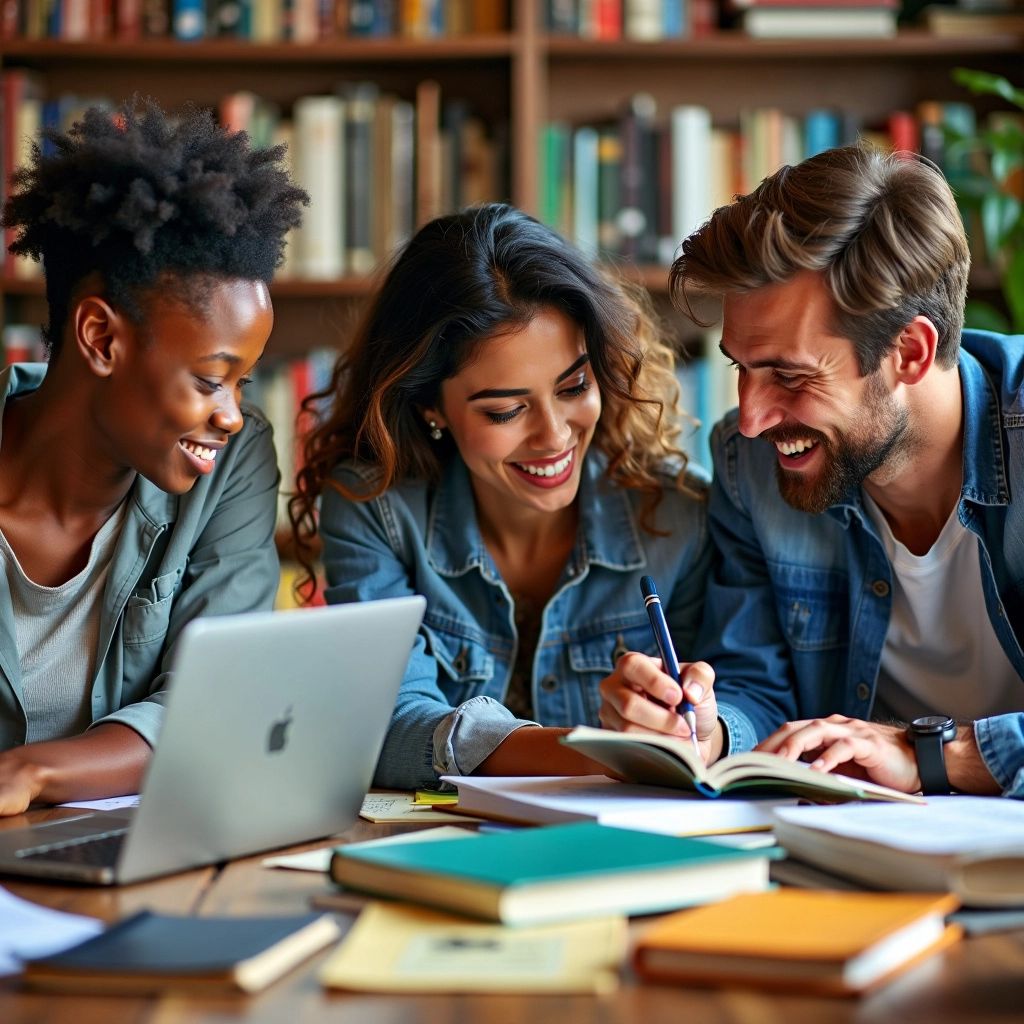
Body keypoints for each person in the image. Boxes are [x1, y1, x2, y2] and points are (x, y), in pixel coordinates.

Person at [600, 142, 1024, 798]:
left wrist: (936, 755)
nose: (750, 420)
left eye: (790, 376)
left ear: (909, 352)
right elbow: (759, 689)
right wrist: (705, 731)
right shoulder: (750, 467)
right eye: (743, 368)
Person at [290, 203, 711, 789]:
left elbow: (746, 697)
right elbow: (386, 727)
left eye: (575, 386)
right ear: (430, 405)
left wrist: (705, 726)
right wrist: (597, 751)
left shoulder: (679, 514)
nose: (555, 435)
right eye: (505, 410)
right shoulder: (375, 510)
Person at [0, 99, 307, 815]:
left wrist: (32, 773)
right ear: (102, 339)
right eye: (209, 379)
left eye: (243, 382)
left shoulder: (230, 466)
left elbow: (213, 702)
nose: (230, 415)